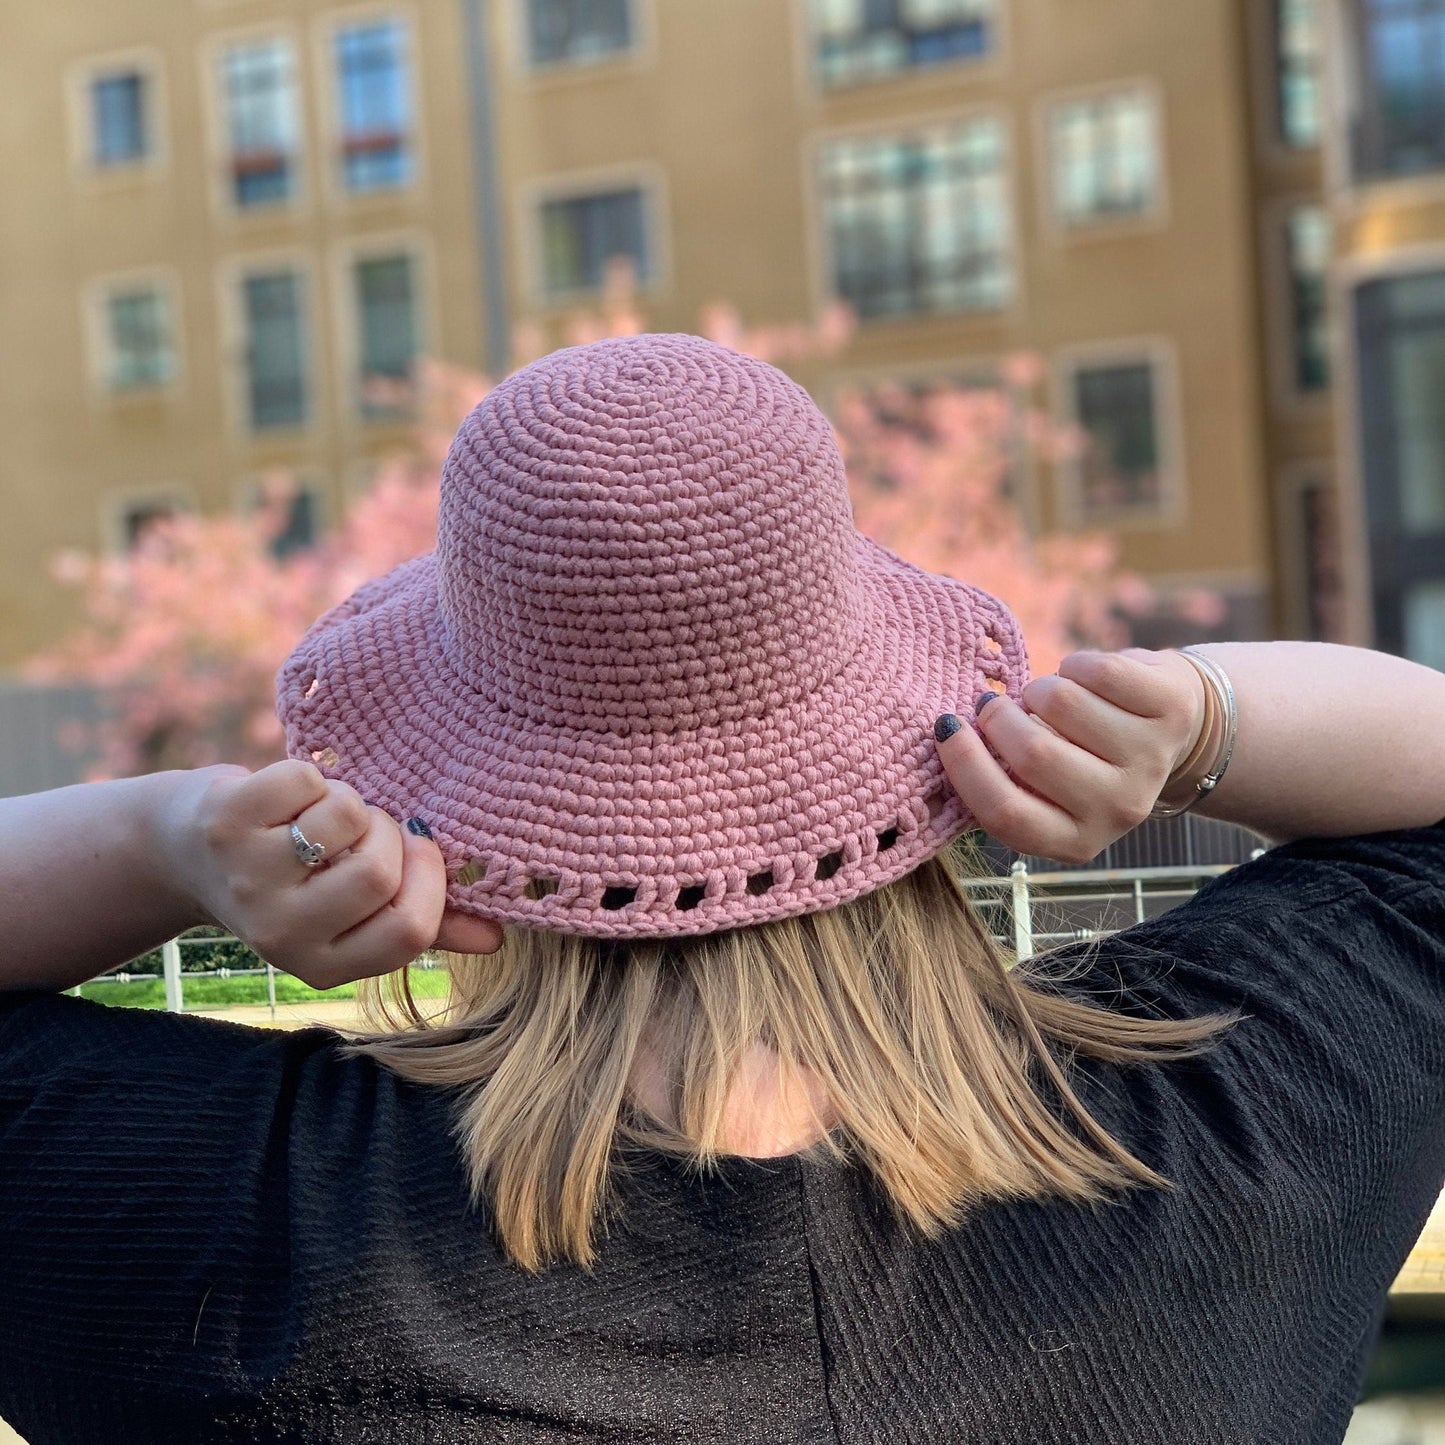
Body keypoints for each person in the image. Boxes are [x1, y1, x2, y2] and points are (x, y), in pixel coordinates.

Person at [0, 332, 1442, 1445]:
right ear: (903, 731)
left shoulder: (228, 1226)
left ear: (448, 784)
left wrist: (171, 838)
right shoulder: (1236, 1126)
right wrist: (1189, 725)